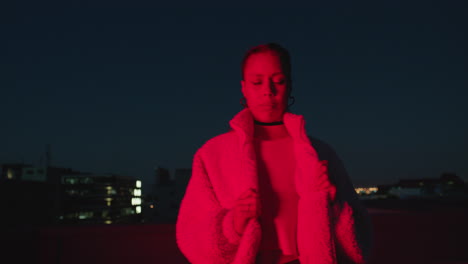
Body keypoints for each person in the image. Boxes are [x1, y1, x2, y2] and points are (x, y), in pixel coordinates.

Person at [176, 43, 373, 264]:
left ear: (289, 86)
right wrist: (233, 223)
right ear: (244, 88)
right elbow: (191, 234)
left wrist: (335, 205)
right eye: (257, 82)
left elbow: (362, 237)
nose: (267, 91)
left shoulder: (319, 153)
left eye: (278, 81)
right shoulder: (213, 154)